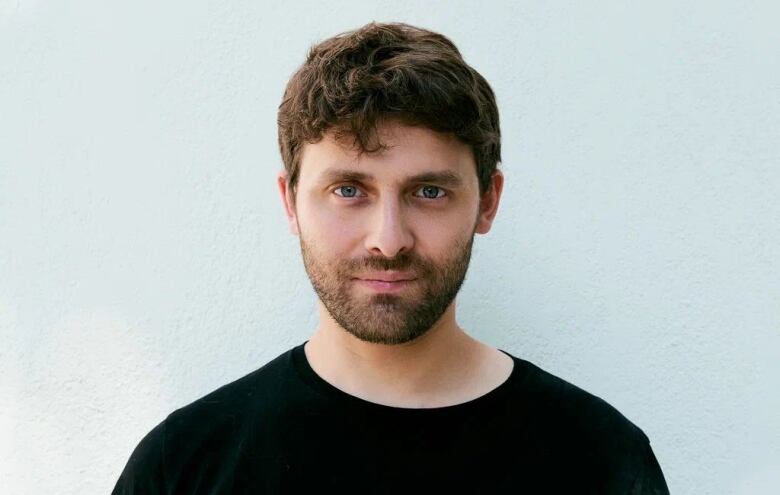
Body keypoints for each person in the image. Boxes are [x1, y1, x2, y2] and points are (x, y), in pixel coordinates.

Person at [112, 22, 669, 494]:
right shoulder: (182, 466)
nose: (388, 240)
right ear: (290, 202)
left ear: (488, 202)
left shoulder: (602, 460)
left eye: (428, 192)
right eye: (349, 190)